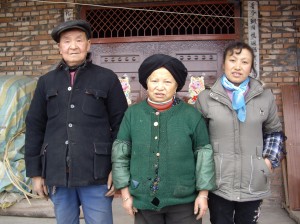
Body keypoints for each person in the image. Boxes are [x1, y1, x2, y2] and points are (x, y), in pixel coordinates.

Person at [25, 20, 128, 224]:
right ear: (59, 47)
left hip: (97, 172)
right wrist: (35, 173)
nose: (73, 46)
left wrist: (118, 168)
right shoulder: (46, 82)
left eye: (79, 40)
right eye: (67, 41)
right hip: (56, 171)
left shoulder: (107, 78)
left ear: (88, 45)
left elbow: (122, 126)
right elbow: (35, 126)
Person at [111, 54, 216, 224]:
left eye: (167, 82)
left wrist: (203, 194)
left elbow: (204, 155)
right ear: (146, 83)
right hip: (144, 201)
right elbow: (121, 154)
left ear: (177, 85)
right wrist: (125, 194)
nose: (160, 87)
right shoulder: (132, 114)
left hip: (184, 202)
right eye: (154, 81)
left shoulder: (191, 115)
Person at [195, 41, 285, 224]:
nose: (237, 66)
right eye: (233, 60)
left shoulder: (264, 96)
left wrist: (268, 161)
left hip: (253, 178)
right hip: (218, 180)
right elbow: (198, 140)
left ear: (251, 66)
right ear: (223, 64)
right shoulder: (206, 97)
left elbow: (274, 132)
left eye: (244, 62)